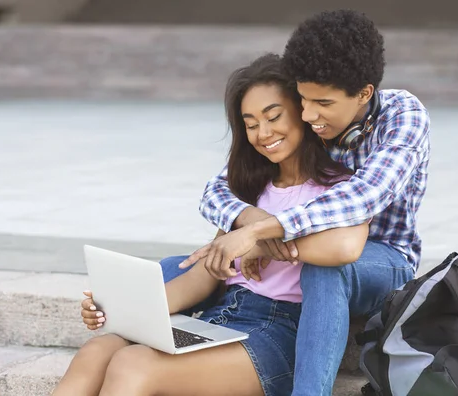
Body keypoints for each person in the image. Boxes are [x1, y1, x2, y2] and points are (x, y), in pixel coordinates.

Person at [52, 53, 370, 396]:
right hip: (222, 318)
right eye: (250, 124)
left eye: (273, 116)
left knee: (133, 364)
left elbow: (344, 250)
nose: (263, 133)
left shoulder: (340, 190)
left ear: (302, 112)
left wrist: (259, 242)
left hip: (278, 333)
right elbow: (204, 275)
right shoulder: (249, 191)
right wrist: (120, 311)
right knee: (98, 350)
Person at [166, 9, 431, 396]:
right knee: (183, 265)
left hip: (381, 259)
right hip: (308, 245)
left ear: (363, 94)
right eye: (303, 100)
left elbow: (360, 198)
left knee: (327, 271)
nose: (308, 115)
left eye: (321, 103)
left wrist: (258, 235)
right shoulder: (311, 115)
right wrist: (253, 223)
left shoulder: (403, 118)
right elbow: (217, 190)